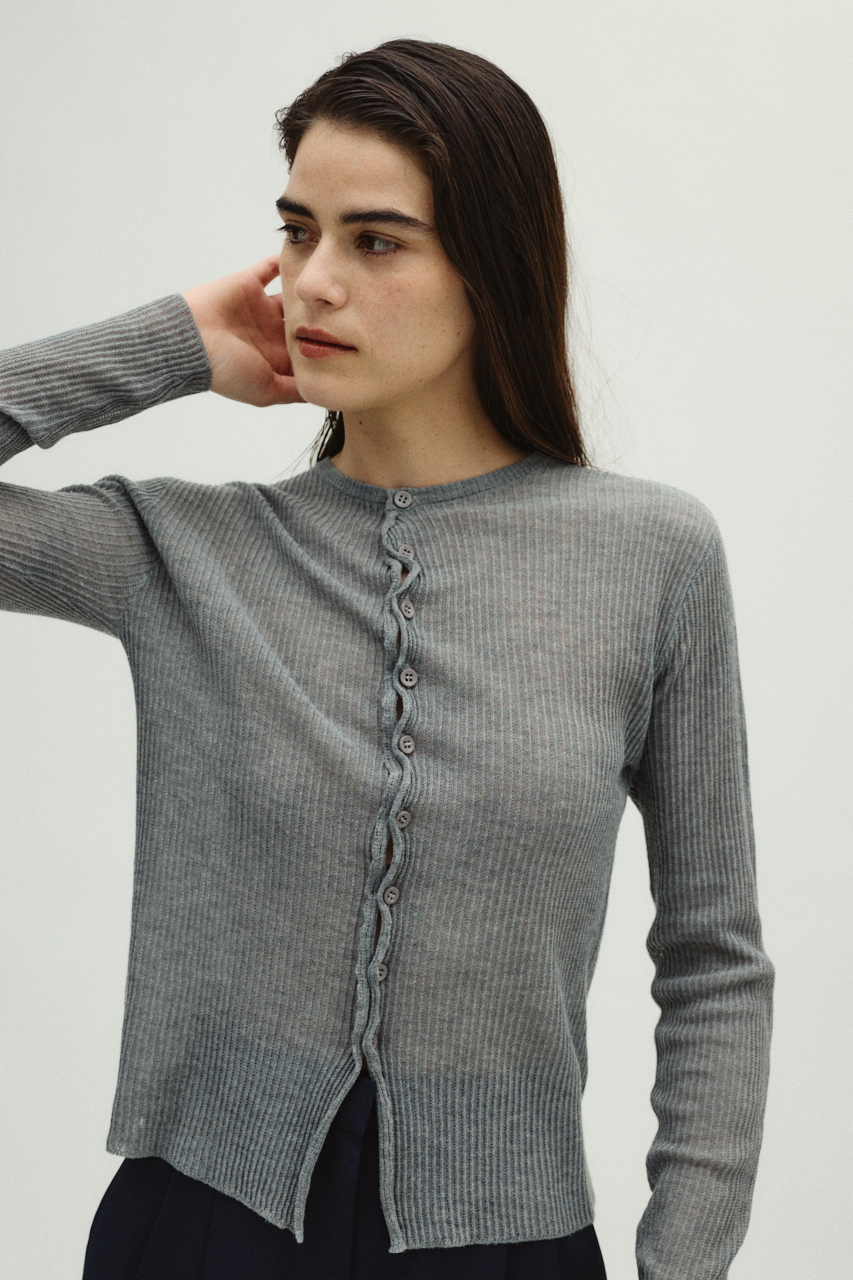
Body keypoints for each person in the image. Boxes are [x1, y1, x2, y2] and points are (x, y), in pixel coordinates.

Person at [0, 38, 773, 1280]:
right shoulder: (184, 552)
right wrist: (171, 343)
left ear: (492, 266)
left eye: (375, 240)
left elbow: (713, 955)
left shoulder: (651, 557)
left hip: (507, 1240)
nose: (311, 283)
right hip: (201, 1229)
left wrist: (682, 1262)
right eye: (296, 232)